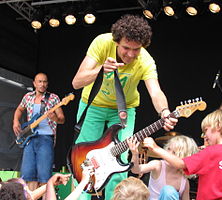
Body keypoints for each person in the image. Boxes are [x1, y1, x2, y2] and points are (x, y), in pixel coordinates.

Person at [72, 14, 177, 200]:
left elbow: (155, 92)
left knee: (119, 164)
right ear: (116, 41)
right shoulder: (102, 43)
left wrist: (165, 112)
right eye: (126, 48)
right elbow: (77, 82)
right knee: (83, 162)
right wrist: (101, 70)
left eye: (136, 49)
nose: (130, 54)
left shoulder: (145, 60)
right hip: (93, 105)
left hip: (123, 110)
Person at [141, 109, 222, 200]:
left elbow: (180, 163)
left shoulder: (208, 153)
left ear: (218, 127)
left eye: (206, 131)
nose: (204, 136)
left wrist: (156, 148)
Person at [12, 73, 65, 194]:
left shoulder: (53, 98)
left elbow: (62, 118)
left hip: (46, 138)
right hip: (29, 138)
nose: (42, 84)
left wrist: (54, 118)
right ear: (34, 83)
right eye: (40, 81)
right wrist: (15, 121)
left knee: (44, 176)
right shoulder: (27, 97)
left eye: (45, 82)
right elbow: (19, 109)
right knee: (27, 174)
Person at [127, 135, 198, 200]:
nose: (168, 154)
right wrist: (135, 154)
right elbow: (136, 170)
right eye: (169, 149)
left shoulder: (184, 182)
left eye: (174, 153)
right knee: (168, 190)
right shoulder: (158, 165)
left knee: (168, 191)